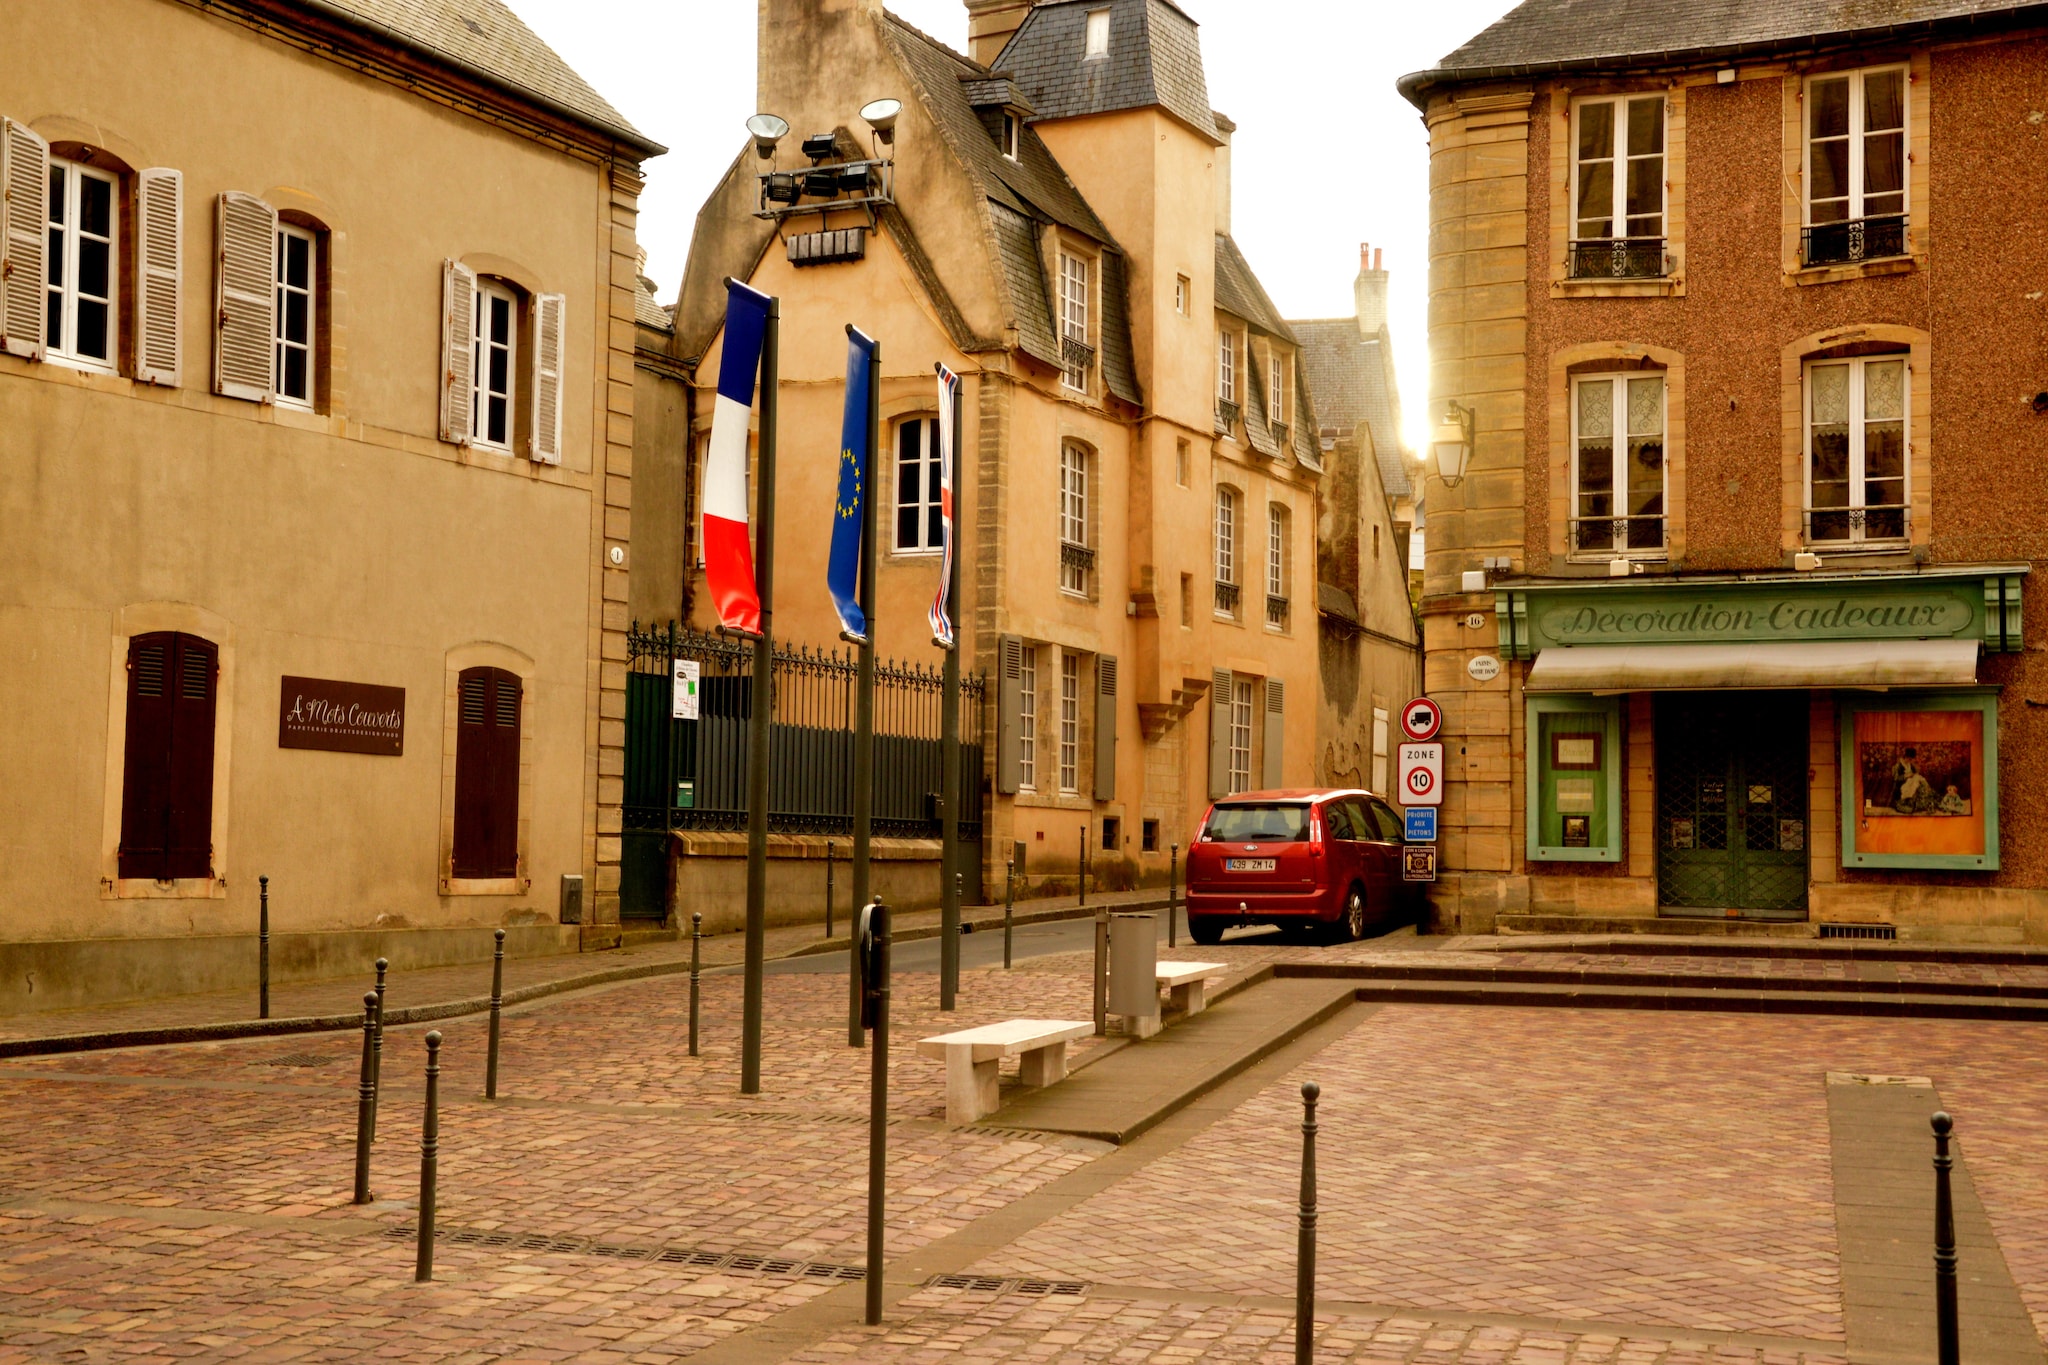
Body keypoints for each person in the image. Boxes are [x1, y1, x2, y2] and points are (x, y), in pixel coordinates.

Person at [1892, 748, 1935, 814]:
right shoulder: (1898, 765)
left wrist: (1914, 775)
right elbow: (1896, 778)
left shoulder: (1910, 765)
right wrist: (1906, 776)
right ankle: (1907, 803)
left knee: (1920, 782)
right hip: (1901, 787)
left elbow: (1916, 773)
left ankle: (1926, 803)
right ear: (1905, 757)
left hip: (1911, 784)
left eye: (1911, 759)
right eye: (1909, 759)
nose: (1910, 760)